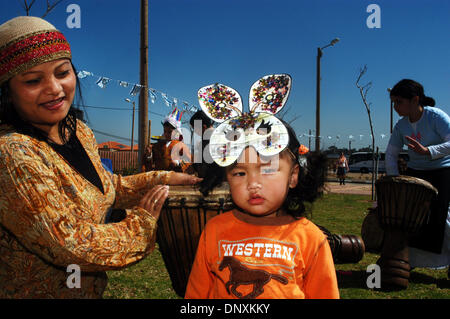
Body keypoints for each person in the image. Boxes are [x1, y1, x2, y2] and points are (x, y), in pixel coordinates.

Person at [0, 16, 201, 298]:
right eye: (33, 80)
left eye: (62, 73)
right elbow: (68, 243)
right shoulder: (12, 153)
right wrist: (141, 224)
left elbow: (109, 188)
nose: (55, 89)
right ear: (7, 90)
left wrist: (166, 178)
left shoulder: (78, 132)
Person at [185, 75, 339, 299]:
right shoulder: (214, 231)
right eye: (239, 173)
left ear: (293, 176)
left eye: (267, 169)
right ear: (227, 177)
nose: (253, 184)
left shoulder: (312, 240)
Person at [385, 79, 450, 272]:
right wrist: (395, 180)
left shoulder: (435, 117)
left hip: (442, 170)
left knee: (442, 216)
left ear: (415, 100)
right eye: (394, 103)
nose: (395, 107)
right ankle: (408, 260)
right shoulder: (401, 126)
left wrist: (428, 151)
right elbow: (390, 154)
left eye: (399, 102)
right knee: (411, 218)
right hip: (416, 173)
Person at [142, 108, 193, 173]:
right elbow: (149, 164)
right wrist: (149, 155)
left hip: (175, 178)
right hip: (160, 177)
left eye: (169, 132)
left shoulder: (181, 146)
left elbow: (188, 161)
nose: (166, 134)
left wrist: (179, 163)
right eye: (165, 131)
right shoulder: (156, 146)